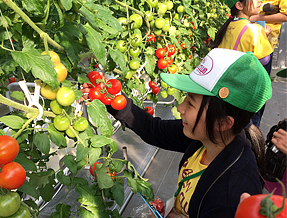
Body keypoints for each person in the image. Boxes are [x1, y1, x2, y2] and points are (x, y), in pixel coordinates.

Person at [81, 48, 272, 217]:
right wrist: (109, 97)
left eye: (190, 103)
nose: (180, 107)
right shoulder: (207, 139)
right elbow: (153, 129)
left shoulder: (231, 195)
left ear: (222, 122)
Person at [208, 0, 274, 127]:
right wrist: (264, 36)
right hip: (245, 89)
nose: (260, 1)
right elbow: (265, 60)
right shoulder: (255, 30)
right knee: (248, 124)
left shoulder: (227, 26)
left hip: (227, 87)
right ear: (239, 5)